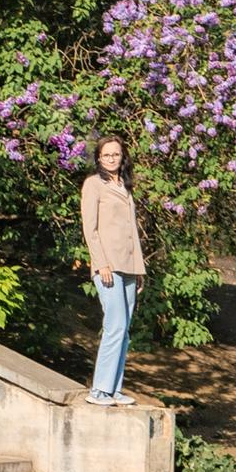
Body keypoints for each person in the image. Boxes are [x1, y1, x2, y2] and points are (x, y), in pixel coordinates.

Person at [80, 134, 144, 406]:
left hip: (129, 265)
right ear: (98, 158)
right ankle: (99, 390)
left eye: (115, 155)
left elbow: (132, 230)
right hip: (108, 266)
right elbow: (90, 228)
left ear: (122, 157)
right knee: (114, 325)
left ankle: (114, 388)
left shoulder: (125, 186)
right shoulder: (94, 184)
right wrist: (100, 262)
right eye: (106, 155)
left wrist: (139, 268)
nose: (111, 159)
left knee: (125, 329)